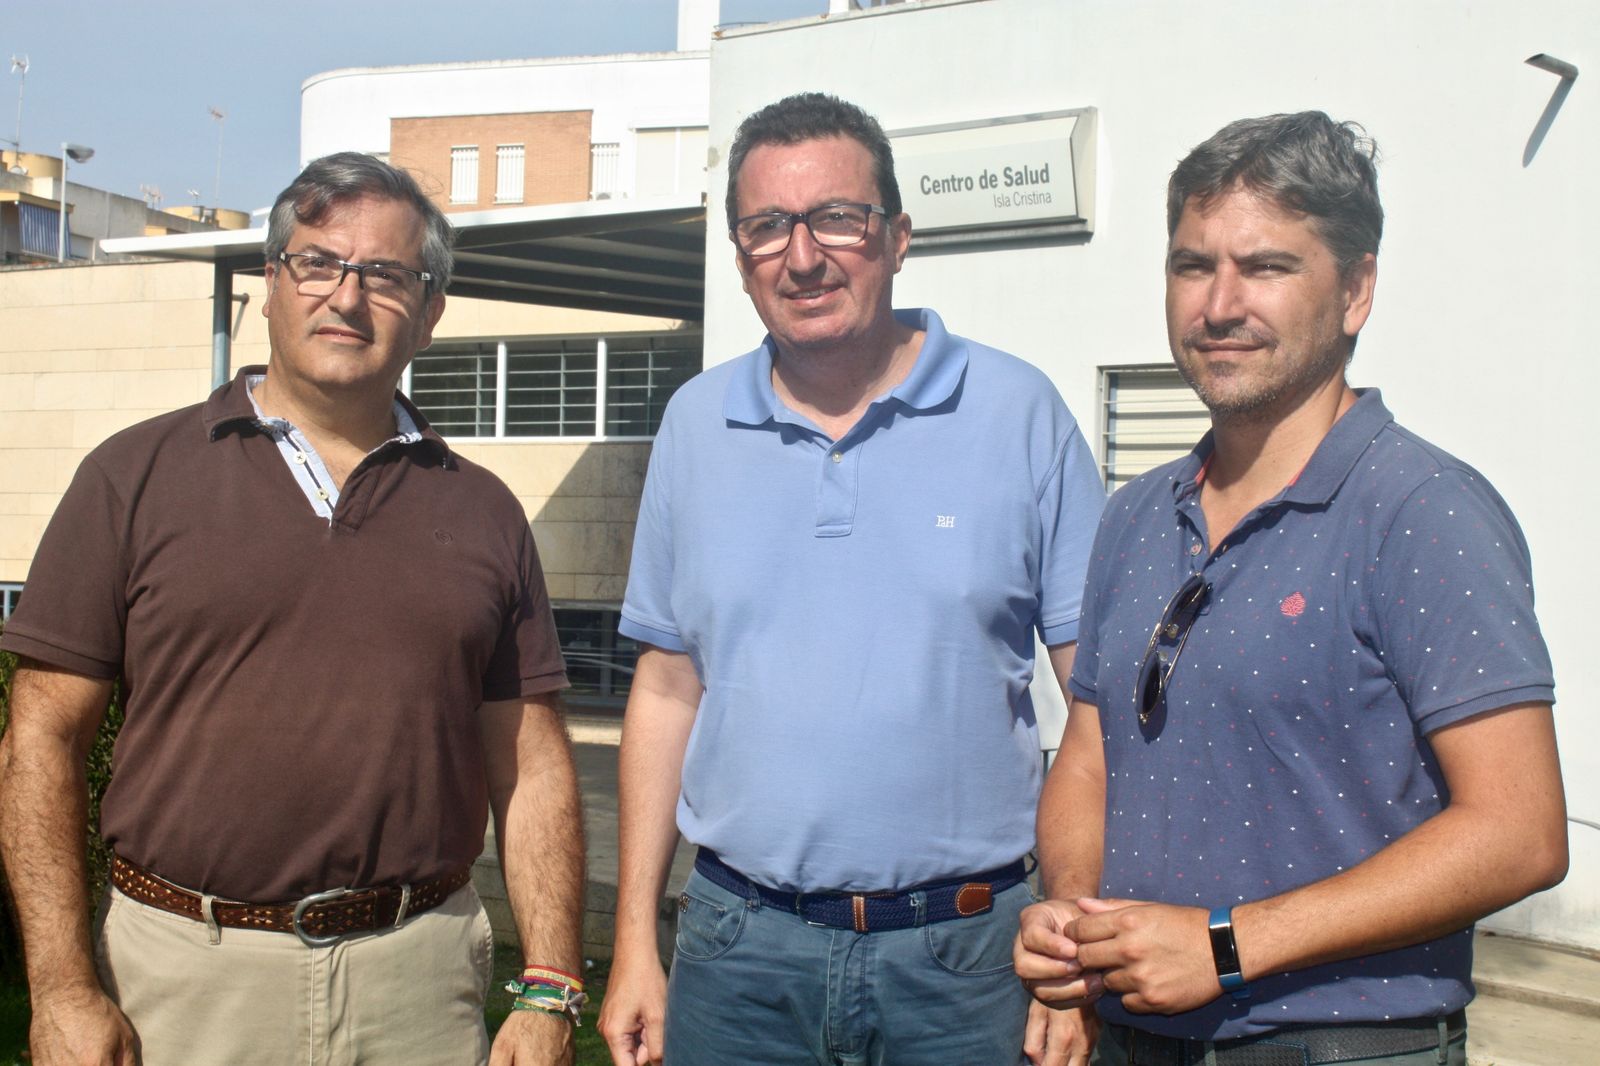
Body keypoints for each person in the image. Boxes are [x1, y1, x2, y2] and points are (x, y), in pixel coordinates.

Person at [0, 153, 585, 1066]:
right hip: (183, 980)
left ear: (430, 312)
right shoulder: (131, 478)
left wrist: (550, 983)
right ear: (270, 287)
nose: (347, 297)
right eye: (318, 262)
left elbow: (532, 764)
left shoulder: (484, 511)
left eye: (386, 274)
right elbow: (39, 739)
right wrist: (62, 987)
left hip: (419, 985)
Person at [1014, 111, 1567, 1066]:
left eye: (1266, 267)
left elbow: (1519, 831)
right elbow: (1092, 759)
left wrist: (1227, 946)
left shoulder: (1421, 512)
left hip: (1343, 1042)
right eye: (1193, 266)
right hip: (1137, 1035)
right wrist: (1073, 923)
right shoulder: (1137, 514)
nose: (1219, 304)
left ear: (1355, 291)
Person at [597, 92, 1104, 1066]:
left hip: (970, 963)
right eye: (766, 227)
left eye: (837, 217)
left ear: (897, 235)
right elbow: (665, 693)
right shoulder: (696, 428)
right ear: (739, 254)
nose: (802, 255)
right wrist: (632, 944)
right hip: (739, 958)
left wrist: (1075, 938)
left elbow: (1096, 702)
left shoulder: (1018, 413)